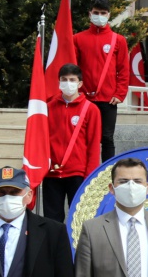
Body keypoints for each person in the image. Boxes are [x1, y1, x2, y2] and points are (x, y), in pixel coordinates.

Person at [73, 0, 130, 164]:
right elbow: (74, 68)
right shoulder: (78, 39)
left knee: (107, 138)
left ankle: (107, 173)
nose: (99, 16)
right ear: (90, 14)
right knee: (84, 138)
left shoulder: (118, 40)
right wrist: (77, 93)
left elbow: (123, 70)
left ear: (109, 15)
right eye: (96, 12)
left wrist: (120, 93)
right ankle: (84, 172)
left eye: (103, 13)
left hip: (108, 99)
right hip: (85, 99)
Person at [43, 63, 103, 223]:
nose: (68, 83)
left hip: (77, 173)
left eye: (72, 79)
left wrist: (89, 175)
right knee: (51, 220)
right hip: (52, 172)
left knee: (79, 218)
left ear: (80, 83)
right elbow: (41, 140)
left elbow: (93, 145)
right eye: (64, 79)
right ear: (59, 82)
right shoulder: (48, 107)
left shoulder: (91, 109)